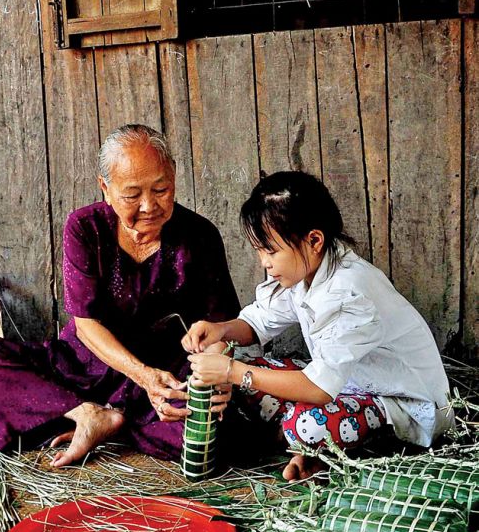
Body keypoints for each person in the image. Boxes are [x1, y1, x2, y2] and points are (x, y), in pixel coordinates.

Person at [0, 124, 239, 465]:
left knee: (214, 433)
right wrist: (142, 374)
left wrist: (213, 376)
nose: (149, 205)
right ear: (105, 188)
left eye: (161, 189)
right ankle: (87, 414)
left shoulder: (200, 235)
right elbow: (87, 325)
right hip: (83, 366)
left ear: (174, 177)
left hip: (163, 371)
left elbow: (221, 325)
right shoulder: (85, 227)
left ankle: (108, 423)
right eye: (132, 195)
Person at [183, 171, 453, 482]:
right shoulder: (304, 270)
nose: (264, 263)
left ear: (313, 240)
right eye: (259, 251)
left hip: (397, 399)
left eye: (270, 251)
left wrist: (230, 372)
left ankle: (321, 441)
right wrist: (221, 330)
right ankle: (314, 444)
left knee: (303, 423)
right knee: (245, 366)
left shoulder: (347, 291)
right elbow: (258, 322)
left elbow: (319, 389)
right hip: (346, 384)